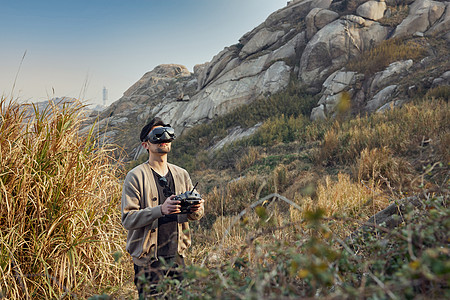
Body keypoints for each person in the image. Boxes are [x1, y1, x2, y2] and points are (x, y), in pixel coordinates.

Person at [121, 117, 205, 299]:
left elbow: (196, 215)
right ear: (146, 145)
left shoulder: (181, 174)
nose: (164, 138)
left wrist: (196, 208)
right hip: (149, 262)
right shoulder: (135, 176)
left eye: (168, 134)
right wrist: (160, 210)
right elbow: (127, 219)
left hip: (177, 257)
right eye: (157, 135)